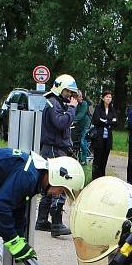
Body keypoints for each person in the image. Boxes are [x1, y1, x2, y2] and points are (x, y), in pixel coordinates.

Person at [35, 73, 79, 237]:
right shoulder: (54, 103)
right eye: (68, 92)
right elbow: (61, 123)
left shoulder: (55, 102)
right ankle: (57, 222)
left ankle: (42, 220)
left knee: (49, 184)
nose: (70, 95)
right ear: (60, 89)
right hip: (53, 149)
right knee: (60, 183)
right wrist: (72, 109)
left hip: (53, 148)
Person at [90, 90, 117, 180]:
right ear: (103, 98)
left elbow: (115, 121)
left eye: (110, 97)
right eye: (107, 97)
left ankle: (102, 178)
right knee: (97, 160)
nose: (108, 99)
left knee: (104, 160)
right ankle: (95, 179)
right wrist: (108, 122)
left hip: (107, 139)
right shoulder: (98, 108)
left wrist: (105, 121)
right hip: (99, 138)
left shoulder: (112, 109)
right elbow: (96, 120)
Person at [74, 90, 92, 164]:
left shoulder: (84, 104)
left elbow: (81, 114)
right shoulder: (75, 104)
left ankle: (84, 159)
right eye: (79, 97)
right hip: (79, 125)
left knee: (82, 140)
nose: (81, 98)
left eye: (81, 96)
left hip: (86, 124)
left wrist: (72, 120)